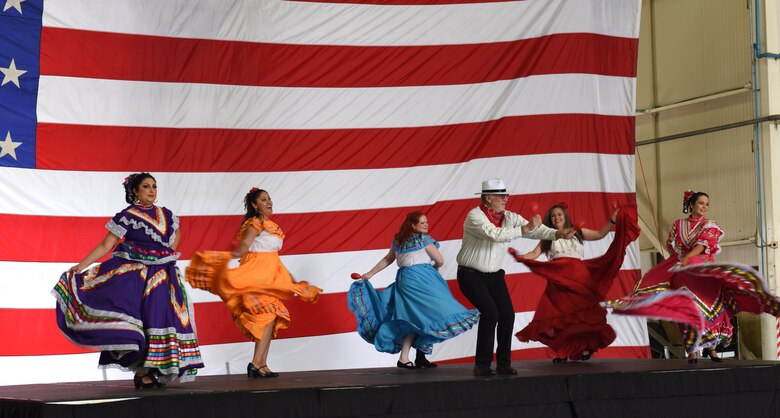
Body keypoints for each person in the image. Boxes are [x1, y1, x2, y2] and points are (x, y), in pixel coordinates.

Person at [52, 172, 204, 388]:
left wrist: (166, 253)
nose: (151, 190)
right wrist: (81, 266)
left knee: (163, 318)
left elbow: (177, 235)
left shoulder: (166, 214)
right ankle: (142, 372)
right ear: (135, 191)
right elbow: (107, 245)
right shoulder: (127, 216)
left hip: (163, 274)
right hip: (137, 276)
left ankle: (154, 369)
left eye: (154, 186)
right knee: (143, 319)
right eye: (146, 186)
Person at [605, 191, 780, 363]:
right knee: (689, 310)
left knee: (712, 309)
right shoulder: (678, 225)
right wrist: (682, 260)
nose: (704, 207)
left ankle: (712, 349)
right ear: (691, 205)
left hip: (703, 273)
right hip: (685, 274)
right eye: (701, 203)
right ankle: (692, 351)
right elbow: (672, 246)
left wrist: (689, 257)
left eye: (707, 204)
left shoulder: (710, 225)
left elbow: (703, 245)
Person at [185, 187, 322, 378]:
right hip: (256, 275)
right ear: (254, 204)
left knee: (272, 318)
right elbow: (242, 249)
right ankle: (256, 364)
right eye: (264, 199)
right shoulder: (255, 223)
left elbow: (274, 257)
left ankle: (261, 364)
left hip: (271, 276)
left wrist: (291, 279)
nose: (269, 202)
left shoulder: (271, 225)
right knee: (266, 317)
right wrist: (220, 258)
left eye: (269, 199)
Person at [456, 178, 574, 376]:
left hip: (494, 276)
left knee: (507, 314)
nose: (505, 199)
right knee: (491, 313)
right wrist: (525, 229)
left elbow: (536, 230)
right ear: (488, 198)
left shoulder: (510, 217)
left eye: (506, 195)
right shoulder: (474, 216)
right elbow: (494, 234)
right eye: (501, 196)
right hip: (470, 276)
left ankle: (503, 364)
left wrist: (558, 233)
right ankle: (482, 365)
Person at [510, 202, 639, 362]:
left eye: (559, 214)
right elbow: (534, 253)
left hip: (581, 280)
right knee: (561, 318)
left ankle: (585, 348)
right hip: (559, 282)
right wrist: (520, 257)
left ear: (565, 217)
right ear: (550, 220)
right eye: (553, 216)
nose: (556, 217)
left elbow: (600, 234)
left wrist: (612, 221)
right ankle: (562, 351)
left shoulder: (578, 232)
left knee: (582, 315)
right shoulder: (548, 236)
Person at [348, 211, 480, 368]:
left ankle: (415, 357)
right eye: (422, 222)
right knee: (428, 314)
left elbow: (388, 259)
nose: (426, 225)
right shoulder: (424, 240)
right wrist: (434, 268)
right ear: (412, 225)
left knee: (416, 318)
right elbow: (440, 260)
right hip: (423, 280)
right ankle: (409, 356)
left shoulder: (398, 240)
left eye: (426, 222)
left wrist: (371, 273)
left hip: (406, 280)